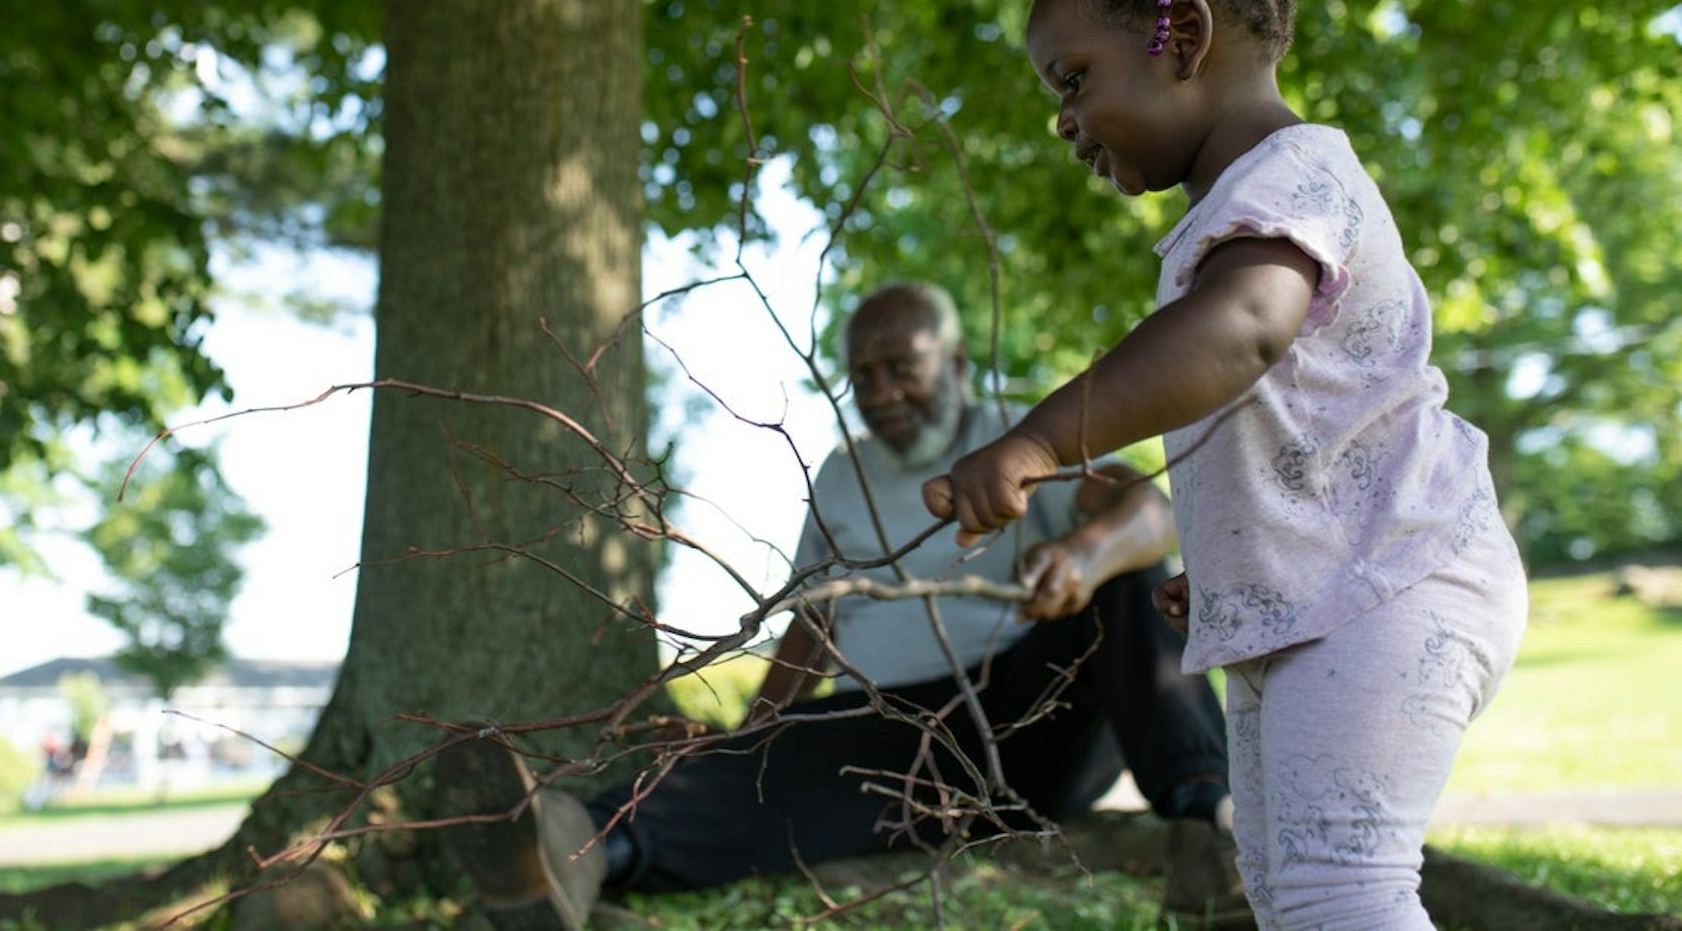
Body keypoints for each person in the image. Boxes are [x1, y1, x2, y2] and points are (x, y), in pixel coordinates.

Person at [920, 0, 1529, 930]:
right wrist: (1246, 563)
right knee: (1291, 885)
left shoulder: (1295, 175)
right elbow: (1295, 419)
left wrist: (1040, 438)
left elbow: (1240, 333)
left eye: (1073, 79)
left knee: (1345, 884)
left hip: (1402, 584)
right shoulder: (1240, 215)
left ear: (1182, 34)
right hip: (1333, 596)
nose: (1064, 121)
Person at [435, 282, 1251, 929]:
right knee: (754, 774)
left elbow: (1150, 512)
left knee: (1133, 583)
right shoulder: (842, 472)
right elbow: (814, 623)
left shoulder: (1021, 433)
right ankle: (572, 852)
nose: (882, 390)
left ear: (958, 360)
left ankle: (1207, 826)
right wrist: (752, 738)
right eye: (862, 374)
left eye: (902, 365)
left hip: (1030, 721)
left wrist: (1083, 553)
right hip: (886, 736)